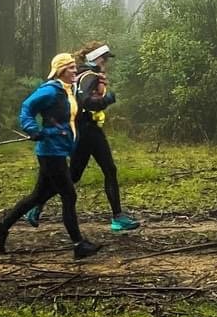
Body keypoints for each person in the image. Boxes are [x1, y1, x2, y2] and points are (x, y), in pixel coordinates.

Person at [0, 53, 101, 259]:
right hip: (50, 151)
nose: (74, 71)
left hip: (58, 149)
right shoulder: (50, 91)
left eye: (75, 67)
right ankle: (79, 245)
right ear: (60, 71)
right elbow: (27, 108)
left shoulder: (69, 91)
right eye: (70, 68)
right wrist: (32, 129)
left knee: (38, 196)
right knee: (69, 195)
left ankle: (2, 227)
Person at [25, 42, 140, 233]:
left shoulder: (80, 75)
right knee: (109, 169)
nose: (106, 63)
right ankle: (118, 218)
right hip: (88, 129)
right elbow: (85, 101)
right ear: (96, 59)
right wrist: (107, 99)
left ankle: (36, 205)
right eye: (104, 59)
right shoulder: (90, 76)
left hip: (82, 128)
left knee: (74, 175)